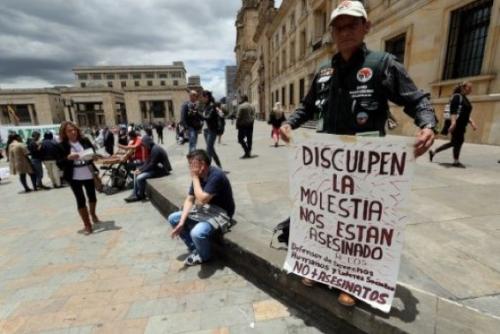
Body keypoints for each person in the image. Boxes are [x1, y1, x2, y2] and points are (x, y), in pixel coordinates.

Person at [279, 1, 436, 307]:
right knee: (326, 219)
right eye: (339, 27)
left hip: (365, 167)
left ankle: (351, 280)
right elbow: (306, 105)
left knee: (356, 224)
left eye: (352, 25)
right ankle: (320, 268)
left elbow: (416, 99)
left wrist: (428, 124)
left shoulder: (383, 64)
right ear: (332, 33)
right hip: (327, 165)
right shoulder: (323, 72)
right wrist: (288, 123)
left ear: (367, 27)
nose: (345, 32)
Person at [168, 149, 235, 266]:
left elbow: (203, 198)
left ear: (202, 164)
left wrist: (194, 178)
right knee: (174, 218)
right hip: (207, 209)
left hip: (221, 212)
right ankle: (196, 249)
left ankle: (205, 256)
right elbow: (190, 199)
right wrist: (181, 222)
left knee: (196, 233)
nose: (190, 168)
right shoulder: (198, 175)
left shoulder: (216, 175)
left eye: (192, 164)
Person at [57, 121, 101, 235]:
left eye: (74, 129)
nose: (73, 132)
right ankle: (87, 224)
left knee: (92, 197)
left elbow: (93, 153)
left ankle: (93, 214)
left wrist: (94, 157)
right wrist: (68, 158)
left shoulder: (84, 140)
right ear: (64, 133)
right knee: (80, 199)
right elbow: (59, 162)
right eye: (69, 131)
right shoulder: (61, 145)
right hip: (73, 176)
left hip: (87, 172)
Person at [429, 81, 477, 168]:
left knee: (455, 142)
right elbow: (453, 110)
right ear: (463, 88)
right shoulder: (457, 96)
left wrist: (471, 122)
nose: (471, 90)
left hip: (461, 124)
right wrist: (453, 122)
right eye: (469, 88)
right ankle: (455, 161)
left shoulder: (464, 98)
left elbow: (464, 112)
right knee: (458, 141)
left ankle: (434, 152)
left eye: (471, 88)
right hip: (457, 124)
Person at [124, 135, 172, 203]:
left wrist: (141, 171)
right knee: (137, 172)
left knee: (140, 177)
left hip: (163, 170)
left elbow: (151, 164)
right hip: (156, 168)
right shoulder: (151, 148)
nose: (144, 146)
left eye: (144, 145)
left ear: (148, 143)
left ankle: (140, 195)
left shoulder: (156, 150)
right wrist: (140, 169)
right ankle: (135, 193)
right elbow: (147, 162)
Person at [200, 90, 223, 168]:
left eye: (202, 97)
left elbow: (208, 118)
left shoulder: (212, 105)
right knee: (211, 150)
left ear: (206, 97)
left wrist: (198, 114)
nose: (201, 99)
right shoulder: (205, 106)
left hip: (212, 130)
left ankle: (206, 169)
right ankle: (219, 166)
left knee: (208, 150)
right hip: (206, 131)